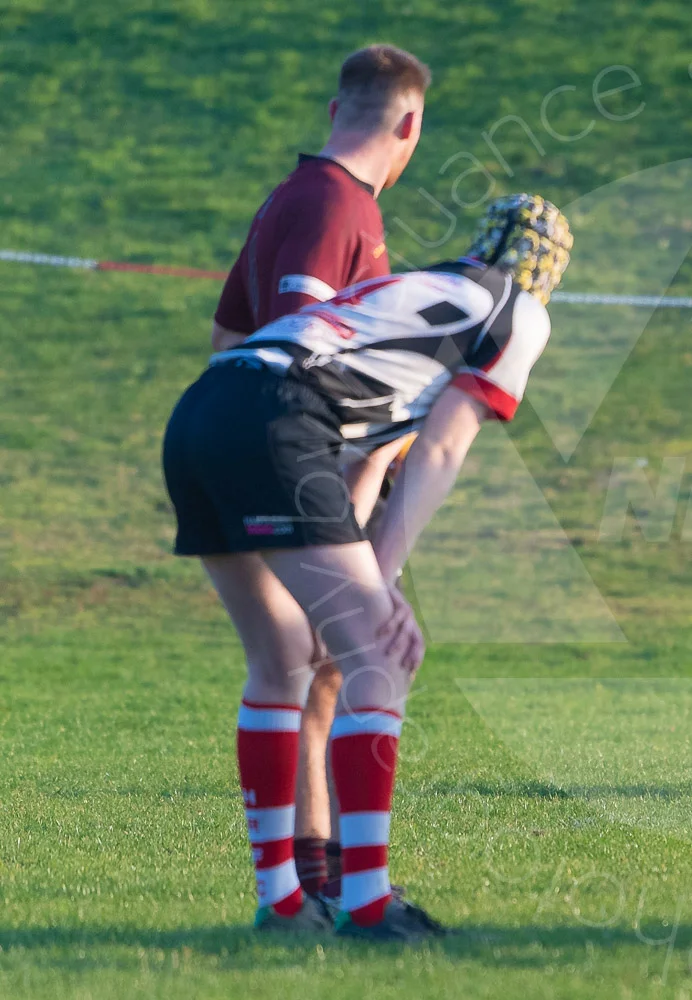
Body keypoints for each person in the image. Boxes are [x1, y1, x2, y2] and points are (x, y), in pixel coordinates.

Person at [162, 195, 573, 938]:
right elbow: (443, 448)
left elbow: (369, 447)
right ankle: (368, 901)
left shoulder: (416, 295)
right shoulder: (523, 313)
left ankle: (284, 903)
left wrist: (365, 576)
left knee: (283, 657)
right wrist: (380, 587)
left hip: (203, 409)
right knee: (380, 657)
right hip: (276, 415)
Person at [210, 43, 431, 898]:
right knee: (362, 650)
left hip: (271, 454)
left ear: (338, 110)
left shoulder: (294, 199)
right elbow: (303, 355)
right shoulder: (335, 208)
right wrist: (343, 483)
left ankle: (315, 873)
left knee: (313, 660)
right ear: (408, 124)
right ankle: (347, 883)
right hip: (304, 464)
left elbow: (228, 341)